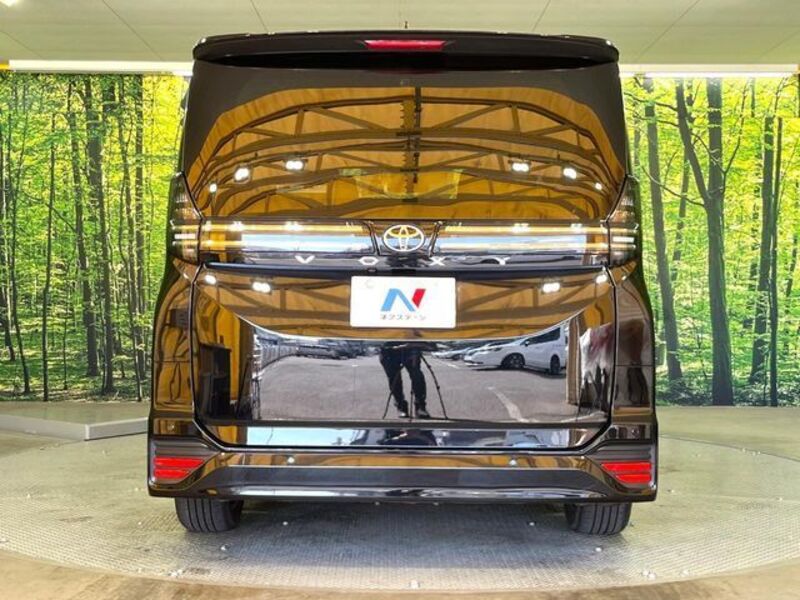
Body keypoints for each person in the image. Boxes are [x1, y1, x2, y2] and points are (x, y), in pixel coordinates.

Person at [379, 344, 430, 418]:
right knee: (394, 380)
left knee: (417, 377)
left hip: (410, 348)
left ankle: (420, 407)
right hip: (388, 349)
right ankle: (401, 407)